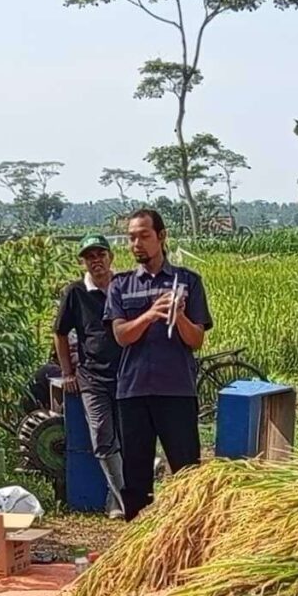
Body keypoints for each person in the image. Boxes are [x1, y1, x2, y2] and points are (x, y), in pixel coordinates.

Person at [106, 207, 210, 520]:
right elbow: (121, 335)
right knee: (136, 476)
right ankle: (137, 537)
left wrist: (178, 316)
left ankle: (190, 531)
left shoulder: (188, 281)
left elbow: (196, 340)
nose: (136, 243)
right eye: (131, 238)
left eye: (144, 236)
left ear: (162, 237)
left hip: (176, 389)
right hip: (133, 392)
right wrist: (151, 314)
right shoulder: (120, 286)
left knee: (186, 470)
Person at [51, 230, 124, 513]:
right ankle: (125, 501)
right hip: (91, 376)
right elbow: (60, 333)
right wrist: (68, 373)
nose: (96, 261)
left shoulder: (124, 285)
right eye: (89, 257)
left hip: (127, 374)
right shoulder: (76, 292)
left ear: (110, 257)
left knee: (128, 438)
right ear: (83, 262)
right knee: (103, 438)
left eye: (100, 255)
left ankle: (115, 500)